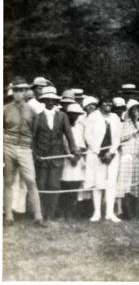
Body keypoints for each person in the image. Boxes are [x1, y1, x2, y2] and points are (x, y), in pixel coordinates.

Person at [3, 77, 47, 227]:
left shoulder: (33, 111)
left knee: (31, 181)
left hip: (25, 148)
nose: (19, 94)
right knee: (8, 181)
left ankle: (38, 217)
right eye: (16, 90)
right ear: (12, 92)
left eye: (22, 90)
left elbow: (34, 132)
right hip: (8, 147)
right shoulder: (5, 109)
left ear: (26, 91)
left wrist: (30, 147)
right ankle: (8, 215)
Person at [32, 86, 78, 220]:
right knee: (41, 184)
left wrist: (74, 150)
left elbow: (69, 135)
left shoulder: (62, 116)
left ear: (56, 101)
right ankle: (40, 214)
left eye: (53, 100)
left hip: (57, 156)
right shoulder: (38, 117)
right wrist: (35, 154)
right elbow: (33, 138)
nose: (50, 102)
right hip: (42, 157)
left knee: (54, 185)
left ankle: (50, 215)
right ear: (44, 101)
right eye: (48, 100)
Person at [84, 97, 122, 222]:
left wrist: (111, 153)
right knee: (98, 183)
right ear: (100, 104)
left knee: (111, 183)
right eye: (105, 102)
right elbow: (88, 136)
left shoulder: (115, 118)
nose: (108, 104)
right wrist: (99, 152)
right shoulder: (93, 117)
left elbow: (117, 137)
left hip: (112, 155)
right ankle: (97, 212)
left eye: (110, 103)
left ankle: (110, 213)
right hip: (97, 154)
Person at [116, 99, 139, 219]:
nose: (137, 112)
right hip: (127, 156)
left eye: (138, 109)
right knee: (124, 183)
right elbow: (120, 139)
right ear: (129, 111)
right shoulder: (124, 124)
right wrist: (133, 133)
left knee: (135, 184)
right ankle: (122, 210)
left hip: (137, 156)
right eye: (134, 109)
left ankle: (134, 210)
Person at [60, 103, 87, 219]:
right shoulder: (62, 128)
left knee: (75, 185)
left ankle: (71, 211)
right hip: (66, 160)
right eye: (72, 115)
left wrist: (77, 157)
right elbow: (63, 143)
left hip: (77, 159)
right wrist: (69, 156)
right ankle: (63, 212)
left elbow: (82, 145)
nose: (74, 117)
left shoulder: (80, 127)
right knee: (65, 184)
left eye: (77, 115)